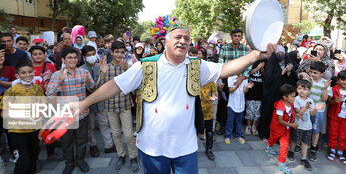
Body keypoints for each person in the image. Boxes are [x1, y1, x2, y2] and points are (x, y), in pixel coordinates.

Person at [73, 24, 276, 174]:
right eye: (178, 37)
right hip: (152, 147)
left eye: (187, 39)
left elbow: (224, 69)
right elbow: (116, 85)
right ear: (166, 41)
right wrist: (84, 103)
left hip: (185, 147)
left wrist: (255, 56)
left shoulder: (196, 65)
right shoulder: (146, 65)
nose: (183, 41)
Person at [47, 48, 95, 174]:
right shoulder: (57, 75)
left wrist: (88, 82)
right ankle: (69, 163)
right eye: (69, 57)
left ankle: (80, 161)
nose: (72, 60)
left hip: (82, 113)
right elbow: (49, 94)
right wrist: (60, 81)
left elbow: (92, 88)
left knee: (82, 140)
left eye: (74, 57)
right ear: (63, 59)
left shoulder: (84, 72)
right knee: (66, 142)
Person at [99, 41, 139, 172]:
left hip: (124, 104)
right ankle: (121, 155)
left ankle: (133, 157)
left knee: (128, 134)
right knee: (115, 133)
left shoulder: (128, 66)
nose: (119, 54)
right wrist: (103, 74)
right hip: (110, 105)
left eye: (122, 52)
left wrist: (128, 71)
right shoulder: (106, 67)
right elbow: (99, 87)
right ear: (111, 52)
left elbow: (135, 84)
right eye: (116, 52)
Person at [3, 59, 42, 174]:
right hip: (17, 131)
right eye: (23, 73)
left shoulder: (38, 89)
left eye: (30, 72)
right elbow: (4, 113)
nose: (27, 75)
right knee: (22, 161)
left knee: (33, 158)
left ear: (34, 72)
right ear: (17, 75)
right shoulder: (11, 91)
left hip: (34, 130)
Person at [80, 45, 115, 158]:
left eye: (93, 54)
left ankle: (109, 145)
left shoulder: (99, 66)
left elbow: (104, 84)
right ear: (84, 57)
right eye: (88, 55)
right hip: (88, 101)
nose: (91, 57)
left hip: (100, 100)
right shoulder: (81, 69)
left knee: (104, 123)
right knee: (90, 126)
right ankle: (93, 146)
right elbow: (89, 87)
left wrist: (103, 74)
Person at [29, 46, 62, 162]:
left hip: (49, 102)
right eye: (35, 54)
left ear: (44, 55)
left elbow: (56, 80)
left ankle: (51, 152)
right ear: (31, 56)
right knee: (35, 131)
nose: (38, 56)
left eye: (40, 54)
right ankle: (35, 158)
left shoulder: (50, 66)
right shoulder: (28, 69)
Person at [258, 45, 297, 140]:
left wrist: (289, 73)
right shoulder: (271, 64)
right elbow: (268, 78)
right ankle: (266, 134)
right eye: (278, 54)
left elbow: (293, 81)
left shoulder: (288, 64)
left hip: (283, 96)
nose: (280, 56)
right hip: (271, 95)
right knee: (270, 115)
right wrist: (281, 73)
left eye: (282, 54)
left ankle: (279, 135)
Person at [216, 28, 249, 135]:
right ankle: (224, 126)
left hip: (241, 79)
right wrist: (221, 81)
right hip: (227, 78)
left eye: (239, 36)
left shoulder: (245, 49)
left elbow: (249, 64)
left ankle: (236, 128)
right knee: (225, 104)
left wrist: (243, 77)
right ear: (231, 37)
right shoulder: (225, 48)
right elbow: (220, 65)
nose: (237, 38)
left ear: (241, 37)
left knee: (239, 103)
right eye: (235, 36)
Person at [287, 80, 323, 171]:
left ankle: (304, 158)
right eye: (299, 88)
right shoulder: (296, 99)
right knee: (295, 140)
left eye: (304, 89)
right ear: (296, 89)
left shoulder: (310, 100)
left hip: (308, 126)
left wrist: (315, 109)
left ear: (309, 91)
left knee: (305, 142)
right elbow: (298, 111)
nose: (302, 91)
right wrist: (306, 108)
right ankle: (291, 151)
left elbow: (311, 114)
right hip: (297, 125)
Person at [265, 84, 298, 174]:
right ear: (285, 97)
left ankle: (281, 164)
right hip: (277, 128)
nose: (294, 98)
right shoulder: (280, 107)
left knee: (284, 146)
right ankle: (269, 146)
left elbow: (291, 114)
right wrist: (292, 125)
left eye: (294, 96)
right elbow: (280, 121)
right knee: (273, 138)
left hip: (286, 131)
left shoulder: (290, 104)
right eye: (292, 96)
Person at [306, 61, 331, 162]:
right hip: (307, 109)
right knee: (305, 127)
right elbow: (306, 96)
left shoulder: (325, 83)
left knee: (316, 130)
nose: (312, 74)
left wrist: (325, 88)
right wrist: (310, 85)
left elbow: (324, 99)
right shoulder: (308, 81)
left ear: (322, 74)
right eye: (311, 72)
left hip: (319, 111)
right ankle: (303, 144)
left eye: (315, 73)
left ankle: (313, 148)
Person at [197, 47, 217, 160]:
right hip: (197, 110)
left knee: (209, 132)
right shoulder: (195, 81)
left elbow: (215, 94)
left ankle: (209, 149)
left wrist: (213, 97)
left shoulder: (211, 81)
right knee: (194, 131)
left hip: (208, 111)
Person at [224, 73, 253, 144]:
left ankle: (238, 135)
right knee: (230, 121)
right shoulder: (231, 77)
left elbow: (244, 91)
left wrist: (248, 87)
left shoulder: (245, 78)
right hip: (232, 104)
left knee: (239, 122)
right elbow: (230, 90)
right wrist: (237, 86)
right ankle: (227, 136)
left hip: (241, 104)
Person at [245, 61, 264, 135]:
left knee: (257, 111)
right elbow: (248, 73)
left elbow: (265, 75)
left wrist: (262, 68)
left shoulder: (263, 62)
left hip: (259, 93)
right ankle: (248, 126)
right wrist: (257, 68)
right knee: (249, 111)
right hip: (251, 92)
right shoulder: (251, 63)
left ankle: (254, 126)